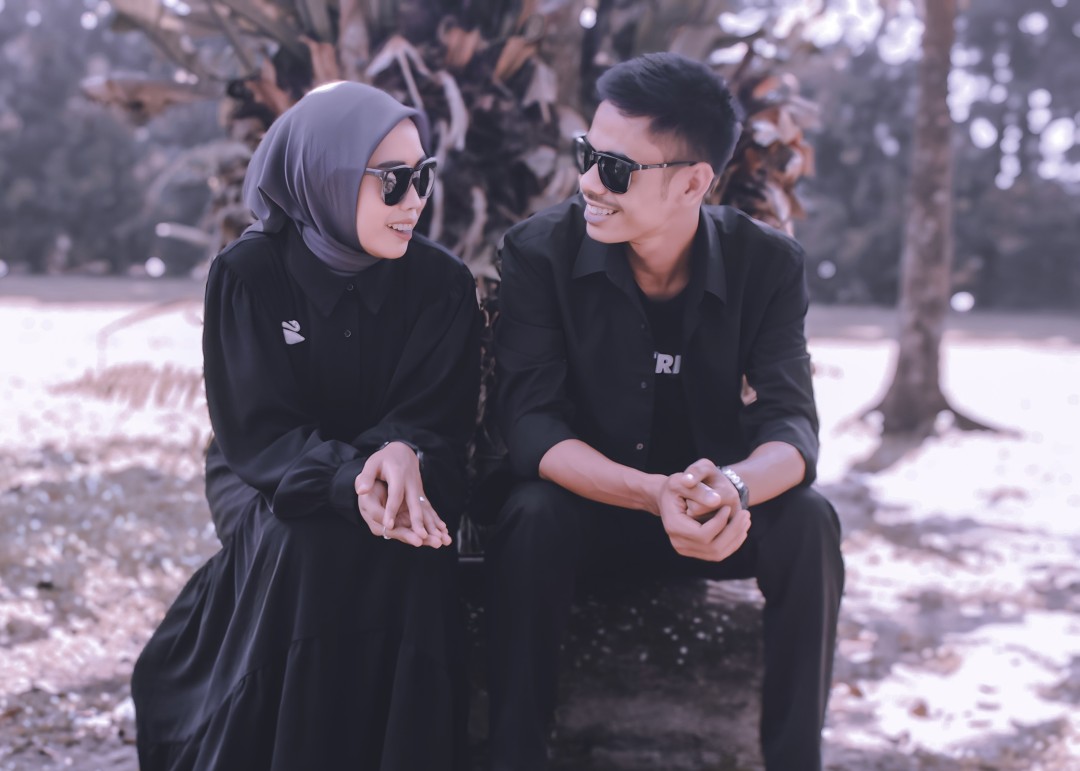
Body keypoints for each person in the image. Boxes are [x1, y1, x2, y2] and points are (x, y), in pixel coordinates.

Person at [487, 52, 844, 771]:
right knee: (530, 513)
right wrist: (651, 492)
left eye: (616, 168)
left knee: (809, 521)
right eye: (587, 154)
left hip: (714, 516)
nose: (590, 182)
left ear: (691, 183)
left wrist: (733, 488)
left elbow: (793, 428)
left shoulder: (767, 265)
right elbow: (531, 424)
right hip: (590, 511)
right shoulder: (539, 253)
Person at [131, 81, 481, 770]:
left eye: (423, 176)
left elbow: (435, 417)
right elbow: (257, 429)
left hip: (409, 473)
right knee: (306, 542)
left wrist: (400, 453)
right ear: (327, 178)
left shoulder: (441, 284)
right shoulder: (249, 275)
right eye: (393, 180)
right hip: (268, 472)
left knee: (413, 551)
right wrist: (350, 478)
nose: (414, 199)